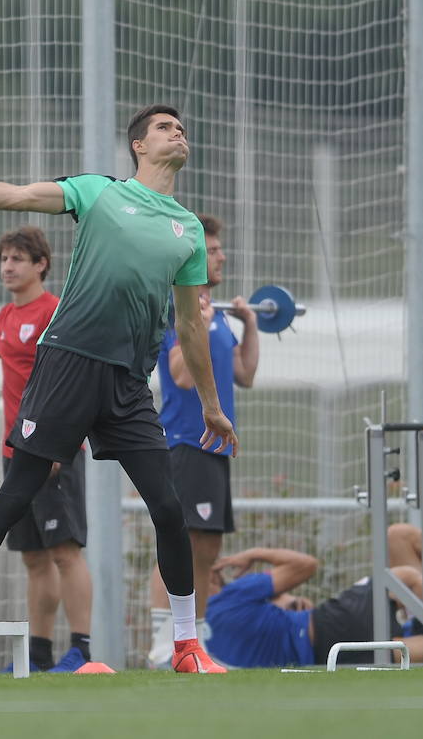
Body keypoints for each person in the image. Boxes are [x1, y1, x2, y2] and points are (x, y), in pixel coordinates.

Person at [0, 103, 237, 675]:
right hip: (68, 363)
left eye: (182, 127)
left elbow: (188, 326)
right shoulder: (98, 192)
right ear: (139, 145)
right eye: (165, 127)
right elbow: (17, 196)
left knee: (167, 505)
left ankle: (187, 646)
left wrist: (211, 406)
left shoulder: (186, 228)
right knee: (18, 493)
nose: (178, 133)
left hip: (129, 381)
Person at [0, 225, 94, 673]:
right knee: (36, 558)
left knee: (65, 551)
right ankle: (38, 657)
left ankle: (82, 650)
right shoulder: (5, 317)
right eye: (3, 259)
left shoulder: (56, 311)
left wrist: (64, 443)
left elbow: (76, 379)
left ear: (41, 265)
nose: (8, 267)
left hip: (55, 451)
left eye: (18, 258)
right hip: (16, 451)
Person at [146, 213, 257, 667]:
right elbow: (177, 375)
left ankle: (195, 640)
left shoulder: (214, 314)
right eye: (212, 250)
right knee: (180, 540)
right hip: (186, 443)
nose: (222, 256)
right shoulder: (183, 308)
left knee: (208, 548)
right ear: (193, 256)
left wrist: (248, 324)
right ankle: (161, 640)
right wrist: (200, 324)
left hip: (215, 445)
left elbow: (245, 375)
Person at [203, 546, 423, 669]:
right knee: (405, 576)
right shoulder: (225, 601)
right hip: (329, 624)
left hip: (332, 660)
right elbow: (306, 565)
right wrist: (254, 553)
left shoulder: (207, 649)